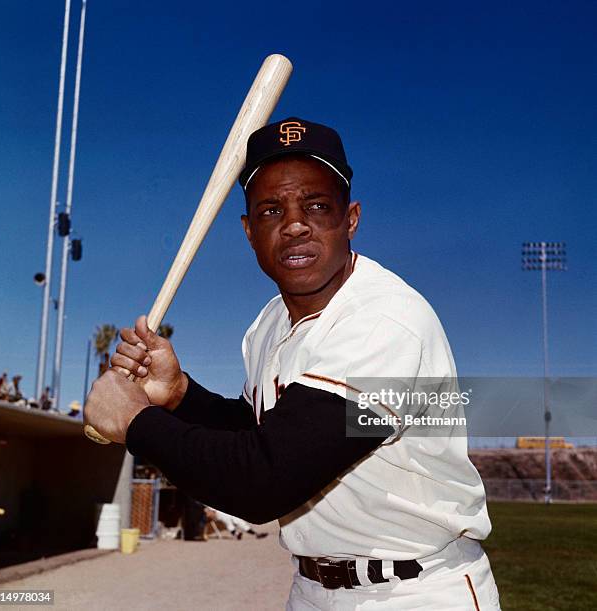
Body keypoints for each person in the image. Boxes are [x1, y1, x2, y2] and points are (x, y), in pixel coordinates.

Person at [85, 117, 500, 610]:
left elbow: (265, 481)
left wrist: (135, 422)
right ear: (249, 232)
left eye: (317, 206)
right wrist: (178, 394)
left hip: (416, 590)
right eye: (270, 210)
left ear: (351, 219)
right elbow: (259, 431)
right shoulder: (269, 324)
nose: (295, 224)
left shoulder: (387, 321)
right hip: (311, 590)